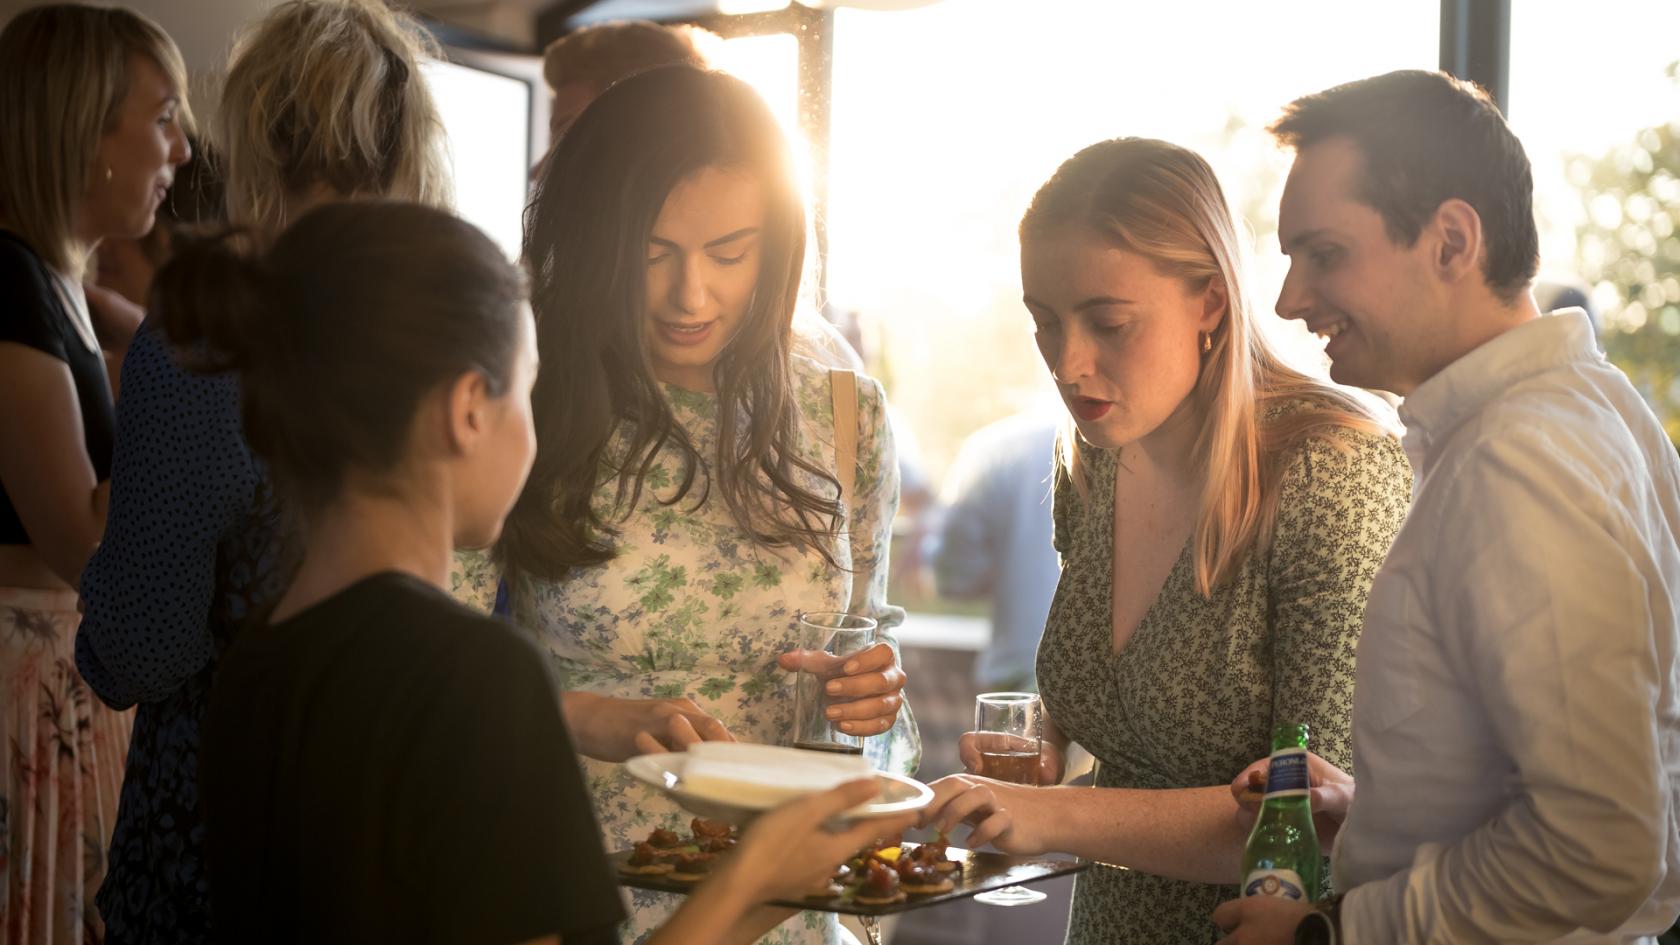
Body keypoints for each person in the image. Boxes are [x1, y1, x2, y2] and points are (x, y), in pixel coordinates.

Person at [174, 198, 918, 945]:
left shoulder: (252, 666)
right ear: (469, 409)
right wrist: (758, 877)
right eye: (526, 391)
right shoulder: (479, 675)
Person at [1213, 69, 1680, 945]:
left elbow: (1602, 847)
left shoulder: (1519, 460)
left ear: (1452, 241)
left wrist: (1330, 932)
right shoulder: (1587, 412)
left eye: (1324, 254)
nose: (1288, 300)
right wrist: (1379, 808)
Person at [456, 65, 915, 945]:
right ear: (595, 241)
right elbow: (425, 678)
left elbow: (866, 633)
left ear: (778, 245)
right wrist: (583, 714)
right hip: (576, 892)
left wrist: (871, 691)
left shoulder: (843, 409)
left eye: (730, 253)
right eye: (654, 253)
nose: (690, 296)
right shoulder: (529, 392)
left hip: (787, 907)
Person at [917, 138, 1414, 945]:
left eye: (1109, 323)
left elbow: (1312, 821)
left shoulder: (1331, 472)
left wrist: (1049, 811)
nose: (1069, 364)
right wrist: (1043, 741)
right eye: (1045, 323)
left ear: (1211, 301)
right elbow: (1136, 695)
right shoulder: (1095, 455)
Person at [73, 2, 451, 939]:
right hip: (412, 834)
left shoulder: (211, 344)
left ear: (256, 140)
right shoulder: (463, 335)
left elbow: (143, 649)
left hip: (229, 841)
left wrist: (98, 608)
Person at [0, 6, 192, 941]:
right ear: (84, 129)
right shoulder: (8, 285)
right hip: (26, 683)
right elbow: (82, 537)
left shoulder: (56, 282)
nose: (182, 149)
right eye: (163, 117)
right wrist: (194, 407)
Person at [924, 406, 1062, 691]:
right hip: (1112, 691)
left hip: (1015, 674)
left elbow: (953, 578)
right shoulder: (1140, 445)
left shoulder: (994, 448)